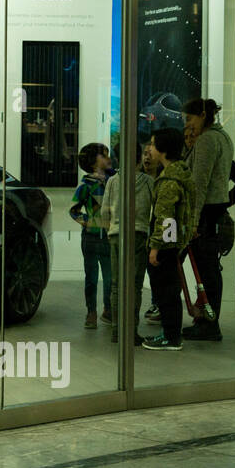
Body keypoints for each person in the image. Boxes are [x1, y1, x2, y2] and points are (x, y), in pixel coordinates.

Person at [182, 97, 233, 342]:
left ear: (202, 116)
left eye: (190, 119)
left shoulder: (207, 140)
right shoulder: (222, 137)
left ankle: (209, 323)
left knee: (207, 272)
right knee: (209, 271)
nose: (188, 125)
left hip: (205, 213)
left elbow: (198, 184)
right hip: (215, 210)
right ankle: (206, 319)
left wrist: (192, 222)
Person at [143, 127, 199, 351]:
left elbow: (165, 217)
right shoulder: (182, 173)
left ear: (164, 150)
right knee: (170, 290)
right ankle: (171, 334)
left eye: (154, 144)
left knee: (165, 291)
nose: (150, 148)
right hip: (178, 241)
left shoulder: (169, 181)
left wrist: (157, 247)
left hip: (167, 244)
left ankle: (170, 336)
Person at [100, 140, 154, 344]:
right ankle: (131, 330)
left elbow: (105, 211)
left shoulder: (113, 181)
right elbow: (154, 209)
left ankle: (116, 330)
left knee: (116, 285)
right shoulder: (148, 182)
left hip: (115, 235)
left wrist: (110, 229)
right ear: (139, 157)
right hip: (138, 235)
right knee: (135, 285)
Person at [69, 142, 112, 329]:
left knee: (111, 279)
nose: (108, 159)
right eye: (104, 155)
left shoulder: (113, 181)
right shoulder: (86, 186)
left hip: (109, 237)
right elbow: (74, 210)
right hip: (91, 238)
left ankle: (108, 310)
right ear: (94, 162)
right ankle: (91, 311)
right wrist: (88, 222)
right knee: (91, 278)